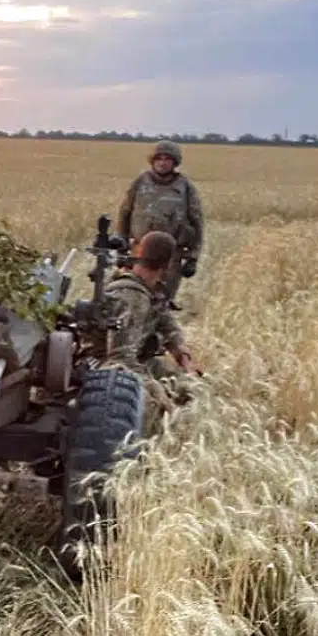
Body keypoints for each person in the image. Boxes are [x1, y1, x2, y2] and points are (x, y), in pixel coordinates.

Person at [102, 231, 200, 430]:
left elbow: (168, 326)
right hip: (111, 370)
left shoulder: (149, 290)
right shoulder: (132, 296)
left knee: (193, 388)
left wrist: (185, 360)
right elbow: (120, 359)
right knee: (157, 410)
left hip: (140, 363)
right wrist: (161, 397)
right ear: (167, 266)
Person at [114, 140, 204, 308]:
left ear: (175, 162)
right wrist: (122, 244)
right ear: (152, 161)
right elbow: (125, 213)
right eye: (159, 158)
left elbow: (197, 222)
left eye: (167, 159)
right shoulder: (140, 182)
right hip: (139, 250)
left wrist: (193, 258)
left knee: (161, 302)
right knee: (132, 296)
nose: (162, 163)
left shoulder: (185, 187)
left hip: (170, 256)